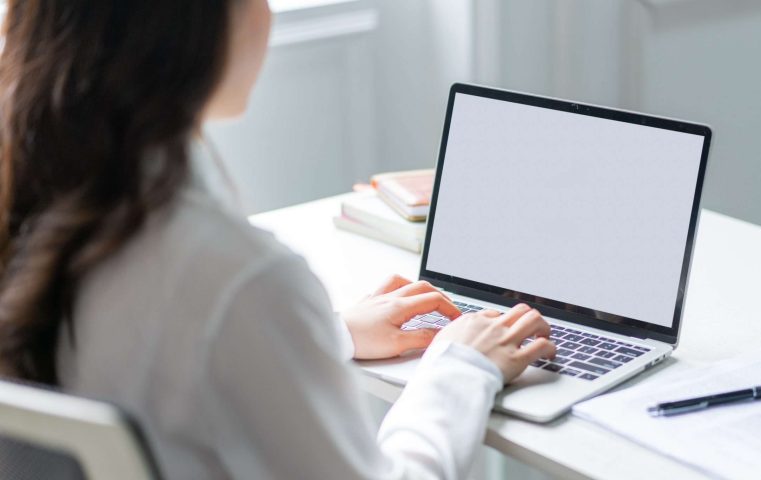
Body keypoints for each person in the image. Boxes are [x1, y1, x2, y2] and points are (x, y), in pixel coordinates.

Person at [0, 1, 557, 478]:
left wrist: (327, 334)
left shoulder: (38, 207)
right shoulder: (241, 279)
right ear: (195, 27)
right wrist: (462, 367)